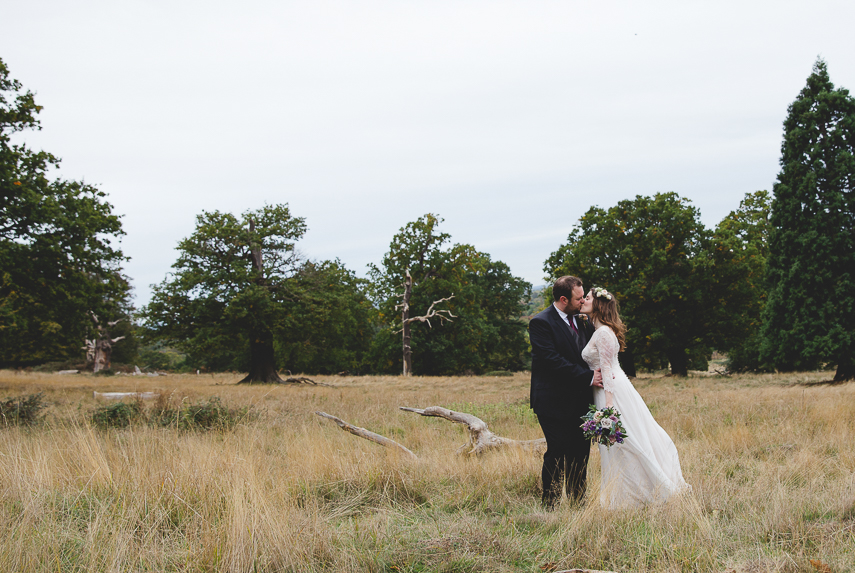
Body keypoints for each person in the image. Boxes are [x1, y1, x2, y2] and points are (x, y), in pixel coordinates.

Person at [580, 287, 691, 508]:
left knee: (624, 441)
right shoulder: (601, 329)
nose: (584, 300)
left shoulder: (602, 333)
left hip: (610, 391)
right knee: (625, 440)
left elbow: (607, 370)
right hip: (614, 388)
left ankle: (636, 495)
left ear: (599, 304)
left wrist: (608, 408)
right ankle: (627, 493)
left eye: (588, 298)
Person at [529, 275, 604, 509]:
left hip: (581, 401)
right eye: (578, 298)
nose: (583, 302)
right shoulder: (541, 322)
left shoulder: (582, 320)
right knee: (558, 451)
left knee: (580, 454)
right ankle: (550, 504)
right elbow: (552, 361)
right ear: (564, 299)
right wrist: (589, 377)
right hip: (552, 401)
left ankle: (578, 503)